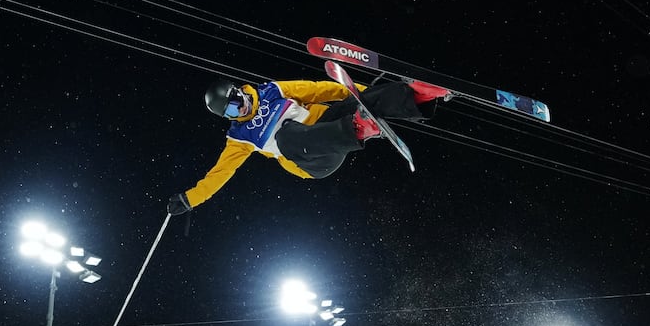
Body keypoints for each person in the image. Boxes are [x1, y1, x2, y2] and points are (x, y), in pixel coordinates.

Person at [166, 76, 451, 215]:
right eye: (230, 112)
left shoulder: (272, 91)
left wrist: (364, 95)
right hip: (313, 161)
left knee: (348, 104)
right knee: (285, 136)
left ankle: (419, 97)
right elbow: (220, 174)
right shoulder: (239, 137)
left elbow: (317, 89)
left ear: (239, 91)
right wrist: (190, 199)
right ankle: (357, 128)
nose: (239, 110)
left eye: (236, 102)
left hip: (327, 125)